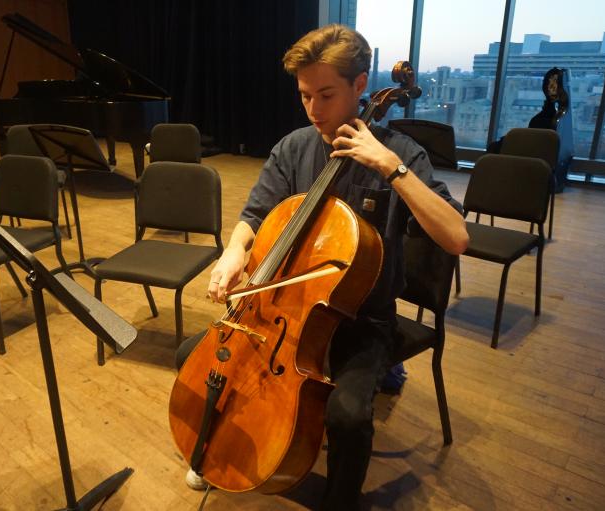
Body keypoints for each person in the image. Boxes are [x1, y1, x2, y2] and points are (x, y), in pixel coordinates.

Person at [176, 24, 468, 510]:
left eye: (326, 94)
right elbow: (253, 218)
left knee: (349, 415)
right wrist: (232, 256)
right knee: (196, 358)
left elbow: (456, 237)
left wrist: (390, 168)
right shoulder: (294, 148)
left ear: (360, 86)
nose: (314, 110)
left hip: (360, 320)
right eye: (304, 96)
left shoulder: (401, 153)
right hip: (278, 311)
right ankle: (217, 451)